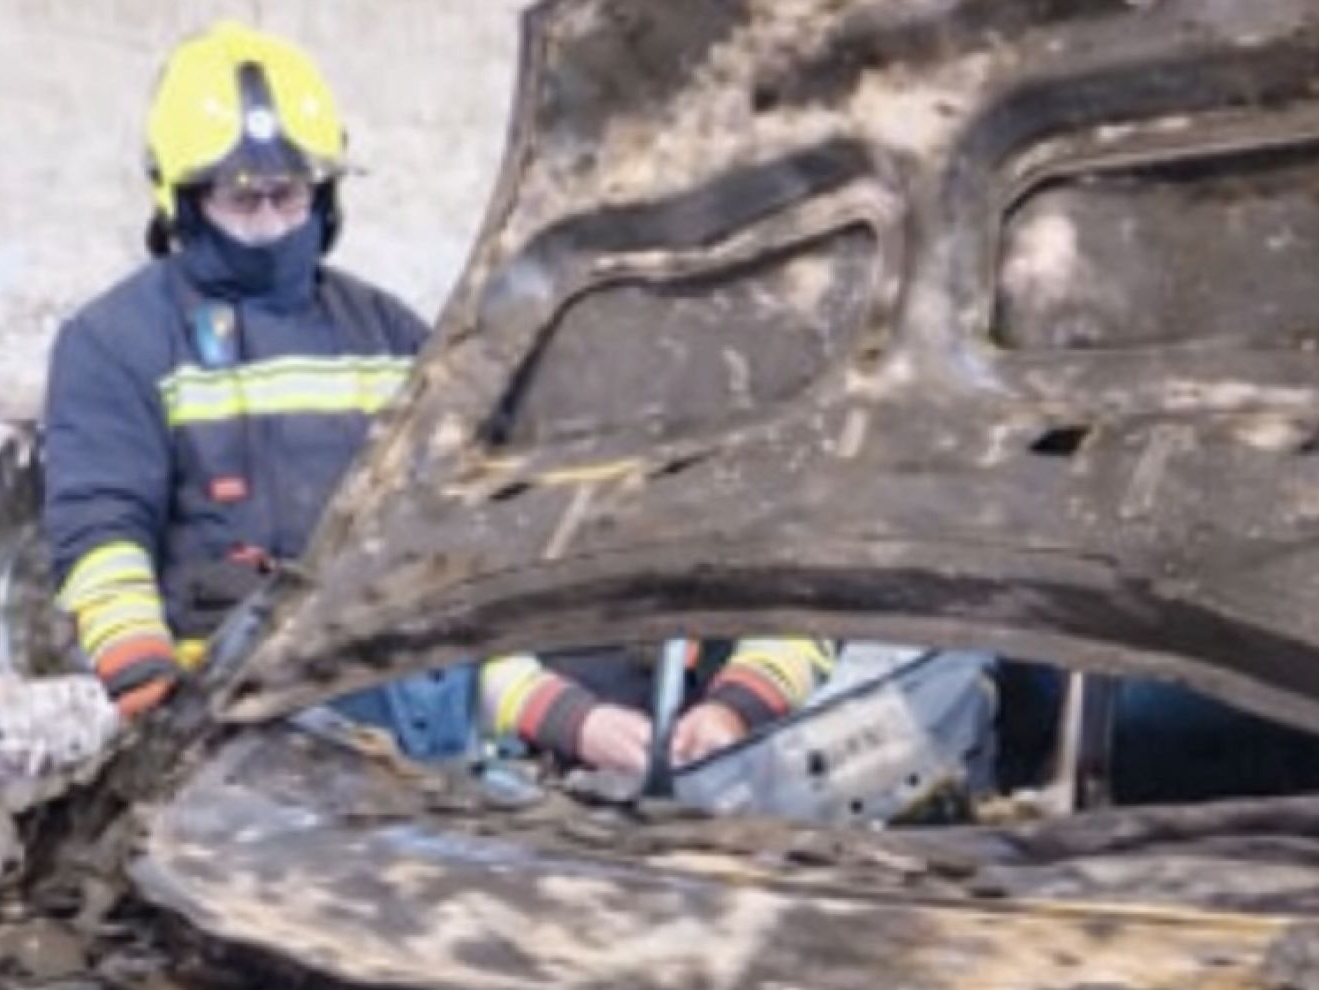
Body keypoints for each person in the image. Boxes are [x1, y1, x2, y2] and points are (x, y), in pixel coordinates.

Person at [42, 21, 472, 757]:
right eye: (243, 202)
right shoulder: (115, 342)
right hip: (223, 723)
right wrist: (153, 695)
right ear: (182, 199)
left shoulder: (391, 332)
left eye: (289, 195)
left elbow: (455, 528)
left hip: (402, 717)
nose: (272, 225)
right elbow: (101, 535)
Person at [479, 638, 837, 773]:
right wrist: (567, 720)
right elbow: (445, 650)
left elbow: (806, 614)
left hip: (718, 772)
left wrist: (739, 706)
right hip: (530, 762)